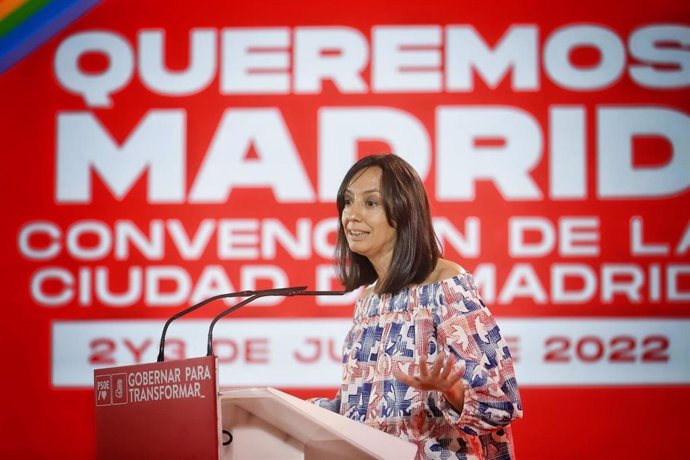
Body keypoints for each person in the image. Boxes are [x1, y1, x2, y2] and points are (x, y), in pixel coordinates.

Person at [311, 154, 523, 459]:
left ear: (403, 211)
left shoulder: (446, 284)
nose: (351, 215)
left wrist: (451, 391)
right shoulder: (367, 300)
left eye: (370, 203)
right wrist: (292, 410)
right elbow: (365, 411)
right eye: (347, 201)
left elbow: (503, 403)